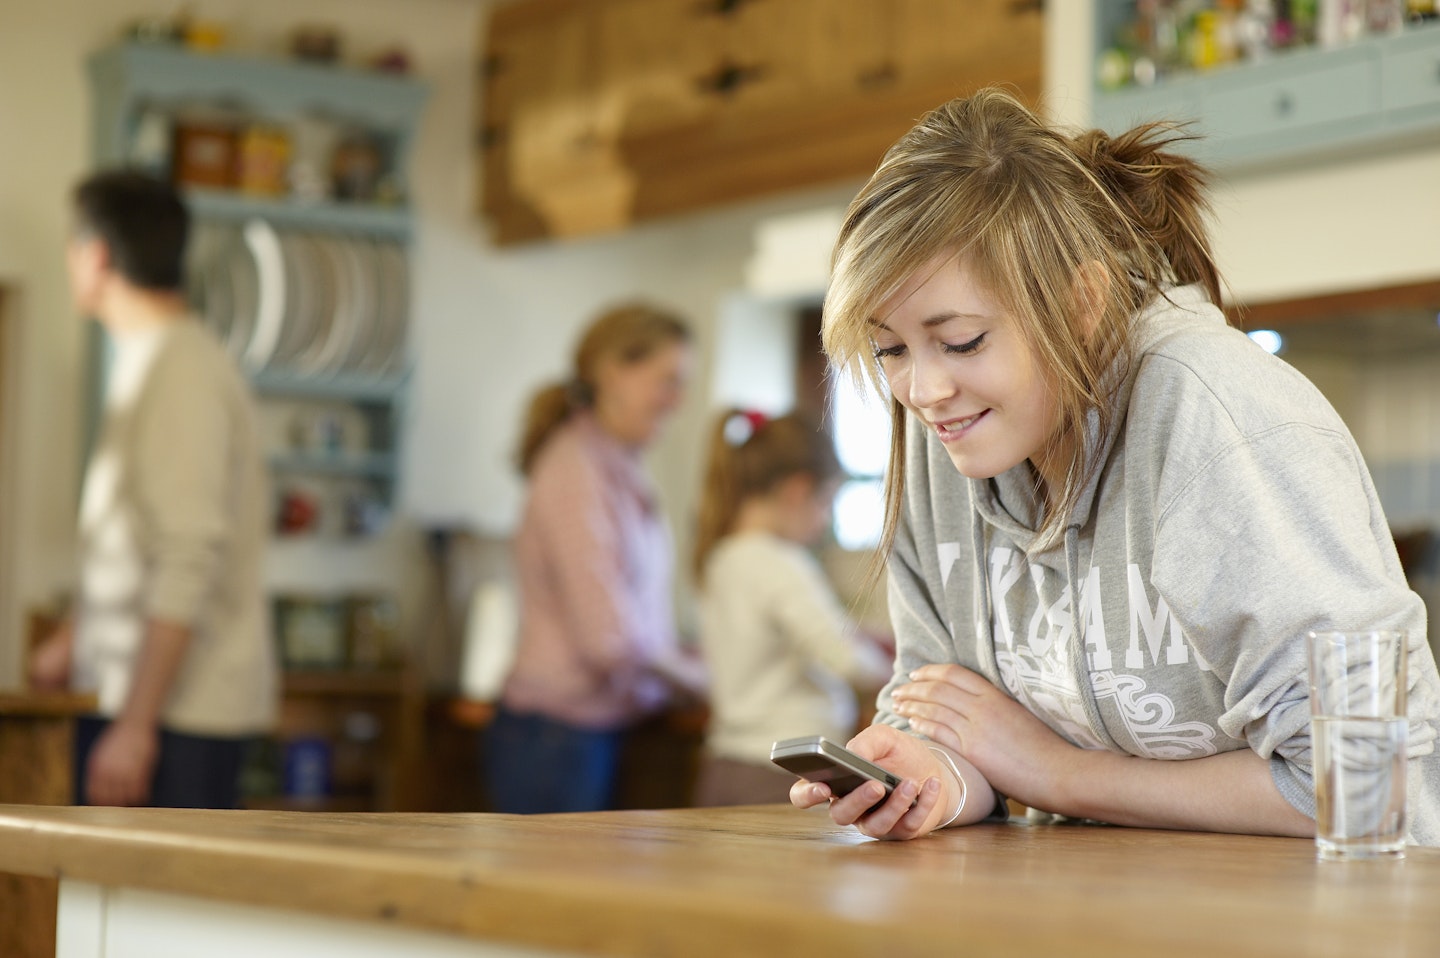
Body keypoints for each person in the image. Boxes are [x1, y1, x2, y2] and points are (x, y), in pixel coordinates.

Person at [788, 88, 1440, 842]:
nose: (924, 391)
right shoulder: (957, 431)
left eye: (962, 341)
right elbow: (952, 717)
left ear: (1082, 302)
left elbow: (1373, 780)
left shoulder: (1217, 416)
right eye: (890, 349)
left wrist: (1056, 772)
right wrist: (930, 776)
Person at [28, 169, 277, 809]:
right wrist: (75, 636)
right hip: (145, 709)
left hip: (176, 723)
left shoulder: (182, 374)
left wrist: (136, 726)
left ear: (96, 256)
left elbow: (187, 556)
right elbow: (136, 541)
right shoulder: (153, 361)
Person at [486, 302, 706, 814]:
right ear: (613, 373)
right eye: (668, 380)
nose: (678, 400)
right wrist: (696, 678)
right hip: (554, 739)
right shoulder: (575, 470)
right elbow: (608, 638)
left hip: (587, 733)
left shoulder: (616, 466)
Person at [691, 409, 891, 805]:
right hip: (779, 774)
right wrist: (895, 673)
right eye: (826, 503)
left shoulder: (722, 557)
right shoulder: (781, 563)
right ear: (799, 490)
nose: (823, 522)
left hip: (725, 766)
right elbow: (843, 658)